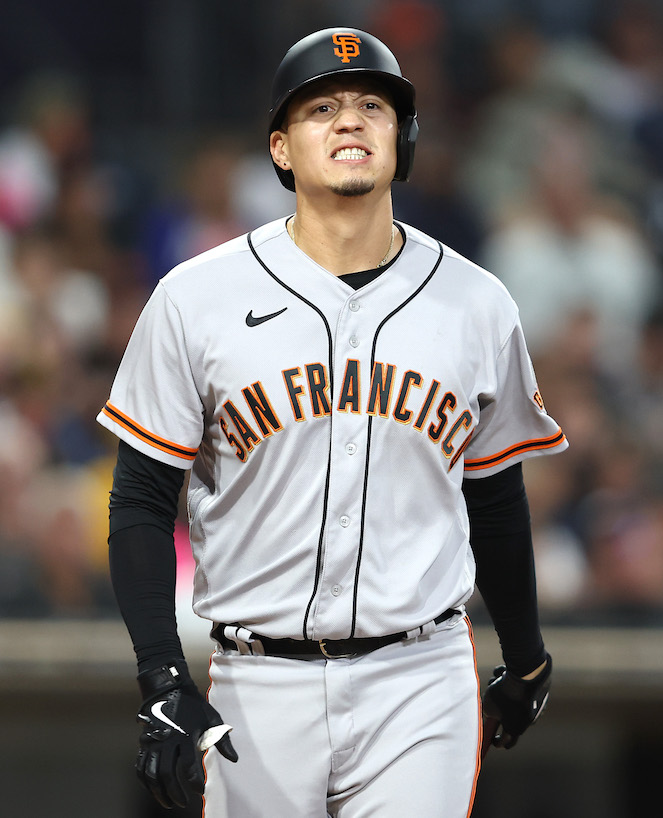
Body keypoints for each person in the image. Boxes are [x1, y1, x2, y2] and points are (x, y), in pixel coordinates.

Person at [100, 27, 565, 817]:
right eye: (323, 108)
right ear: (281, 150)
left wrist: (524, 660)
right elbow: (141, 500)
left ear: (402, 140)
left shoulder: (477, 303)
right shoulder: (195, 297)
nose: (350, 120)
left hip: (420, 677)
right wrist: (160, 676)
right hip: (256, 678)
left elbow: (494, 497)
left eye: (372, 107)